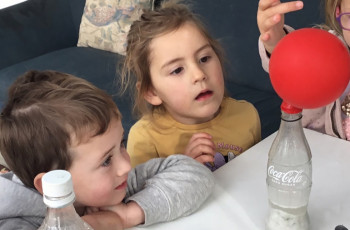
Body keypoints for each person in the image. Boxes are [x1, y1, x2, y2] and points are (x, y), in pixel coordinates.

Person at [0, 70, 215, 230]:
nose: (125, 165)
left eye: (121, 143)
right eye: (106, 161)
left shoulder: (115, 185)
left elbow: (195, 173)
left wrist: (128, 215)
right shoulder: (17, 222)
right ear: (52, 184)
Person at [120, 0, 261, 170]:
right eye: (177, 70)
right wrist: (183, 169)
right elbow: (142, 195)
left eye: (204, 59)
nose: (199, 75)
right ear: (152, 92)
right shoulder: (145, 139)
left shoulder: (247, 115)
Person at [257, 0, 350, 140]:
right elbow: (295, 63)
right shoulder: (328, 50)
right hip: (318, 150)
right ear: (338, 12)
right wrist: (276, 42)